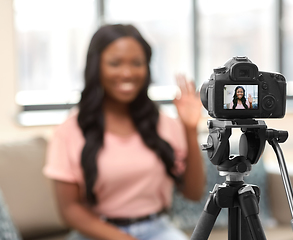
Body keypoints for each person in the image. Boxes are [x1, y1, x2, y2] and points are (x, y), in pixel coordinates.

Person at [43, 24, 206, 240]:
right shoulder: (69, 131)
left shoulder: (165, 124)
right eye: (115, 63)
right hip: (96, 233)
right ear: (96, 67)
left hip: (157, 230)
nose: (127, 73)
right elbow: (69, 210)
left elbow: (194, 193)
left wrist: (189, 129)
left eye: (136, 63)